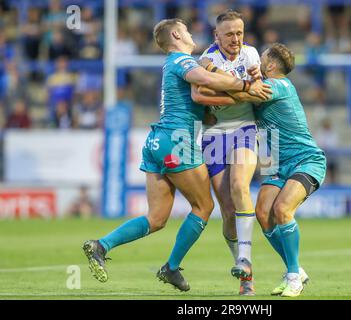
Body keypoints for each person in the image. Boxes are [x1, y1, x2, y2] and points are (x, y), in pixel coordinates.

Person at [82, 18, 271, 292]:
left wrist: (213, 110)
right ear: (175, 34)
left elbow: (197, 99)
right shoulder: (181, 61)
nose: (192, 34)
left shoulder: (175, 64)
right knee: (204, 207)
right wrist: (244, 88)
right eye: (187, 30)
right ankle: (171, 267)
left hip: (156, 141)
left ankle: (101, 245)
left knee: (156, 219)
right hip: (177, 141)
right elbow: (204, 79)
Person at [196, 43, 326, 297]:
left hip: (306, 159)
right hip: (278, 165)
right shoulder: (264, 85)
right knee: (263, 214)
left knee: (282, 210)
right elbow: (241, 96)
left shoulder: (278, 86)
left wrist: (209, 73)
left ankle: (292, 277)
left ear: (272, 65)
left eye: (263, 57)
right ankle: (296, 269)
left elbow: (242, 95)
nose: (258, 60)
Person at [196, 10, 262, 295]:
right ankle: (243, 270)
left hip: (244, 129)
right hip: (212, 136)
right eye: (229, 34)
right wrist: (241, 91)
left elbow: (259, 91)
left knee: (239, 185)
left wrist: (223, 86)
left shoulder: (251, 55)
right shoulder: (204, 59)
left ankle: (246, 261)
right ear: (216, 36)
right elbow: (200, 94)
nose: (236, 39)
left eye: (239, 33)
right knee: (227, 210)